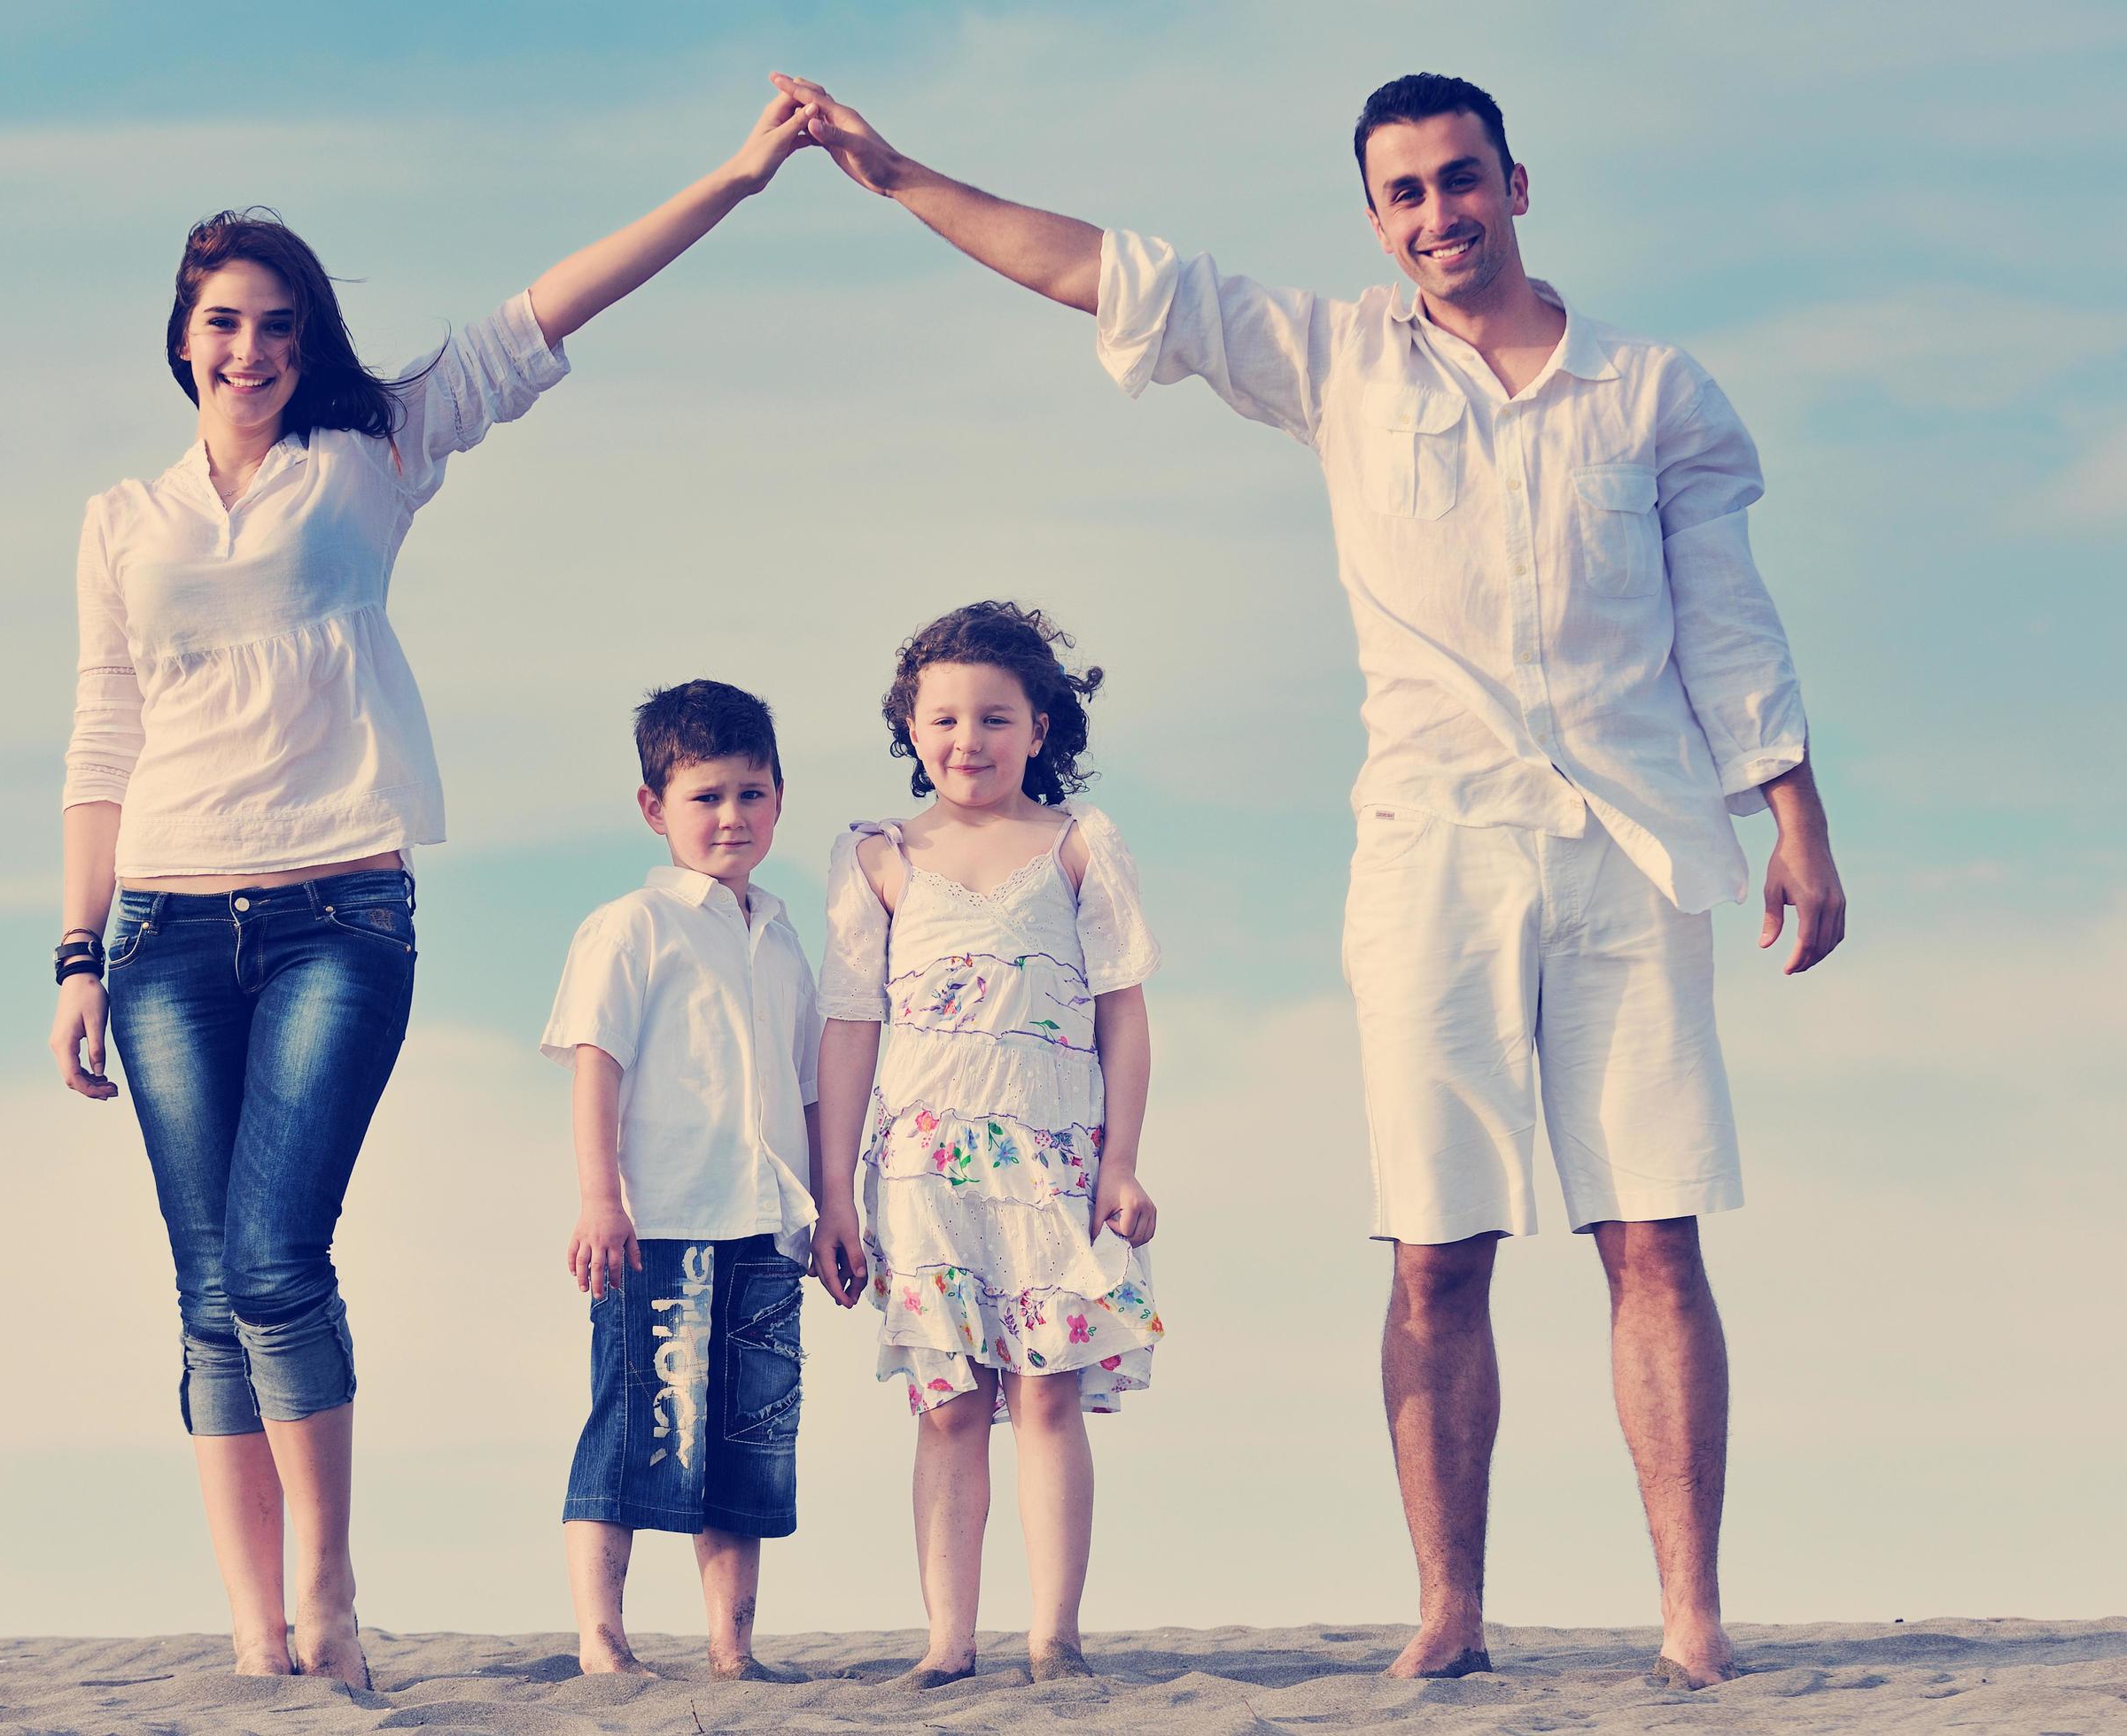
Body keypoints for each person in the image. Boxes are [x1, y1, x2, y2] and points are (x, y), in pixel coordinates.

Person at [772, 69, 1848, 1688]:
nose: (1438, 215)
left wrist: (1798, 820)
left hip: (1635, 849)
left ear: (1517, 182)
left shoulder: (1652, 393)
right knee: (1436, 1246)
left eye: (1461, 180)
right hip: (1431, 857)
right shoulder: (1341, 359)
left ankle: (1689, 1613)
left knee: (1655, 1235)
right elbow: (1103, 269)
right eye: (1405, 193)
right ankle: (1452, 1610)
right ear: (1375, 216)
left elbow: (1730, 624)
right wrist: (896, 173)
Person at [44, 93, 818, 1686]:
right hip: (164, 928)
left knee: (273, 1256)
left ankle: (327, 1589)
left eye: (276, 324)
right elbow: (100, 737)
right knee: (206, 1292)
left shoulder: (373, 450)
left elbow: (551, 307)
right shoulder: (124, 522)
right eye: (223, 325)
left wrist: (737, 178)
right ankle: (257, 1633)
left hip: (340, 911)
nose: (250, 349)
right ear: (181, 339)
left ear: (308, 336)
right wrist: (73, 951)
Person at [810, 601, 1166, 1689]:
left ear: (1043, 726)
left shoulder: (1079, 845)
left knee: (1049, 1392)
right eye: (946, 718)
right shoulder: (875, 856)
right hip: (920, 1170)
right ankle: (947, 1640)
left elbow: (1125, 1014)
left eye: (996, 717)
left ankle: (1054, 1635)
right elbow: (849, 1028)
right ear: (911, 729)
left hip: (1056, 1159)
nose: (970, 740)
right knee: (951, 1403)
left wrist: (1121, 1161)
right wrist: (835, 1193)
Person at [539, 680, 823, 1682]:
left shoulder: (785, 937)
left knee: (750, 1439)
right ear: (655, 807)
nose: (732, 816)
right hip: (655, 1222)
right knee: (633, 1423)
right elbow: (595, 1064)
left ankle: (730, 1647)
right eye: (705, 796)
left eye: (752, 792)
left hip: (766, 1229)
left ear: (781, 798)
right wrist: (599, 1196)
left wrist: (828, 1213)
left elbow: (809, 1087)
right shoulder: (631, 927)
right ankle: (602, 1639)